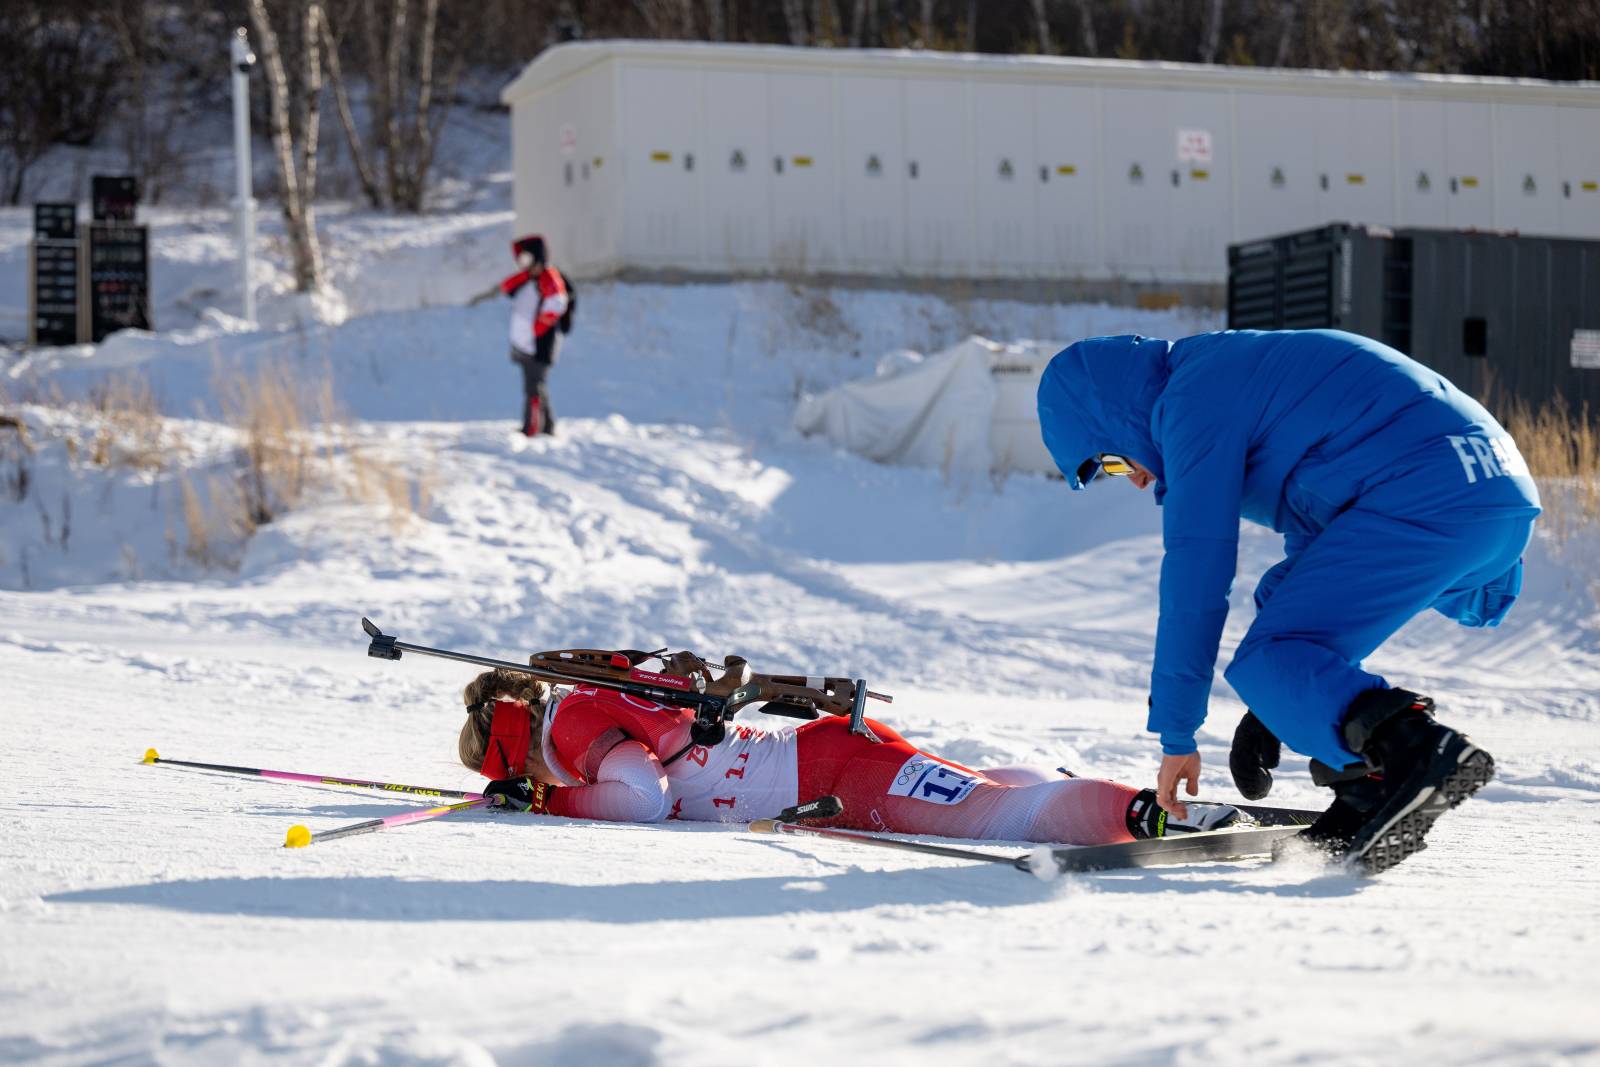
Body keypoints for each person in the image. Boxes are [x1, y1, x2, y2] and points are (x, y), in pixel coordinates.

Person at [1035, 328, 1540, 873]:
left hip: (1430, 491)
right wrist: (1276, 707)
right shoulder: (1224, 370)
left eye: (1110, 462)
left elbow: (1195, 575)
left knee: (1273, 653)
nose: (1131, 480)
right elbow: (1319, 516)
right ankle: (1365, 790)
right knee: (1284, 626)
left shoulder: (1189, 401)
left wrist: (1177, 734)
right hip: (1485, 488)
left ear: (1112, 416)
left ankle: (1418, 749)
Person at [453, 667, 1245, 846]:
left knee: (995, 820)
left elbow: (642, 794)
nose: (533, 783)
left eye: (515, 777)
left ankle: (1157, 815)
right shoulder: (586, 696)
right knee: (978, 800)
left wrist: (553, 803)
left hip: (827, 775)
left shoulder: (570, 724)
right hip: (820, 759)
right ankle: (1104, 797)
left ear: (512, 749)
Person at [499, 234, 575, 436]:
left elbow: (557, 303)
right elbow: (506, 287)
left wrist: (537, 331)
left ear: (536, 257)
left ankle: (531, 428)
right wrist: (525, 275)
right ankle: (548, 426)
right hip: (526, 343)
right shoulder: (531, 278)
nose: (522, 265)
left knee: (533, 387)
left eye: (525, 259)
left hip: (539, 345)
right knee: (537, 386)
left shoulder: (548, 277)